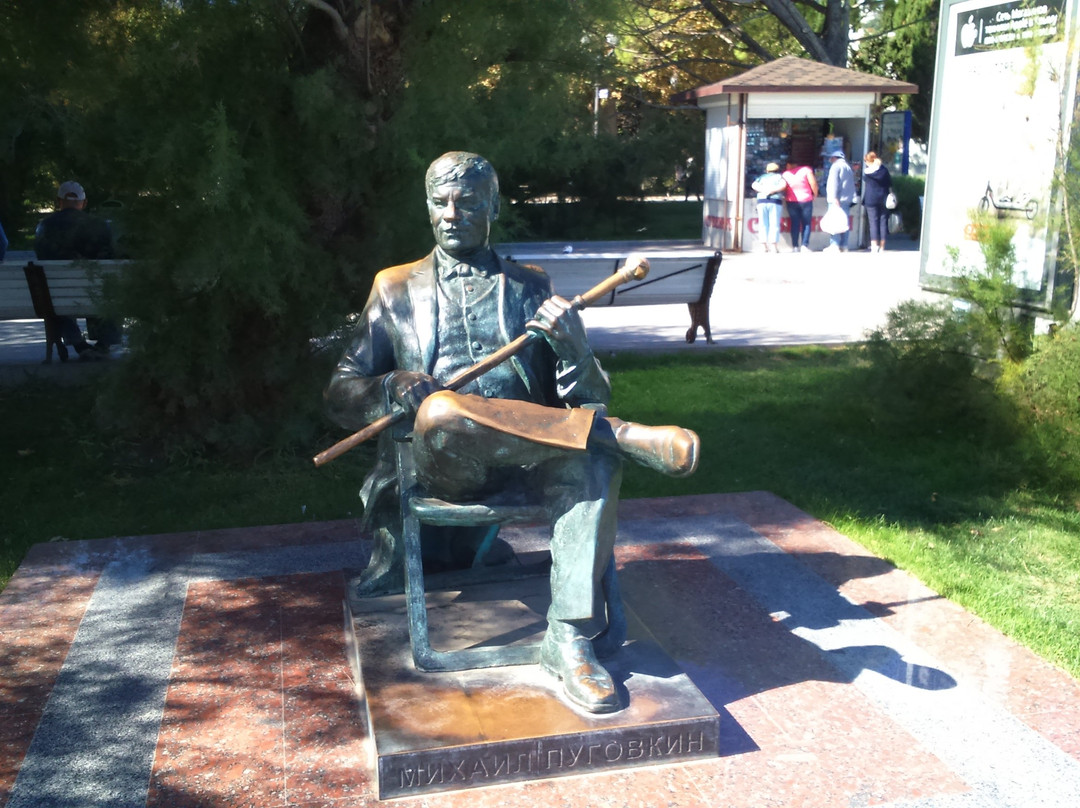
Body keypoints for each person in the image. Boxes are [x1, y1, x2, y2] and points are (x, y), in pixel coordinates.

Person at [325, 152, 700, 714]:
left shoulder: (531, 285)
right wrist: (390, 386)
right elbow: (339, 390)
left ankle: (569, 639)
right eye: (440, 201)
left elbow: (585, 398)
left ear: (493, 207)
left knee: (589, 463)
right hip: (442, 460)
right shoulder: (395, 287)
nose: (452, 213)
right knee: (445, 413)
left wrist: (574, 345)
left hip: (529, 459)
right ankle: (618, 435)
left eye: (468, 201)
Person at [34, 181, 121, 359]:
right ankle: (103, 343)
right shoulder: (101, 226)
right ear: (85, 202)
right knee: (111, 288)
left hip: (58, 297)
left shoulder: (44, 227)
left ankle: (79, 345)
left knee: (54, 294)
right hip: (95, 293)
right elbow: (110, 257)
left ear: (59, 201)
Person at [782, 160, 818, 253]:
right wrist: (815, 194)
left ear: (790, 164)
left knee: (795, 223)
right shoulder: (806, 170)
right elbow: (813, 183)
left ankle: (795, 246)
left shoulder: (785, 174)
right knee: (806, 223)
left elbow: (783, 187)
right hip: (806, 200)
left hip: (791, 201)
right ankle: (804, 246)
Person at [824, 149, 855, 253]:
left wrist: (834, 198)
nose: (830, 160)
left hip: (837, 199)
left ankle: (834, 245)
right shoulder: (848, 167)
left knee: (835, 221)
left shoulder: (836, 166)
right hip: (846, 199)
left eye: (831, 158)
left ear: (834, 158)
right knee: (844, 223)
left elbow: (834, 183)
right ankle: (844, 245)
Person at [861, 151, 893, 253]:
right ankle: (882, 246)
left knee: (873, 222)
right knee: (883, 222)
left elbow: (865, 181)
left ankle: (874, 245)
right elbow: (890, 183)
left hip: (871, 199)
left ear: (868, 161)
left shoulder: (867, 172)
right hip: (884, 198)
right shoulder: (884, 170)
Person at [751, 162, 786, 253]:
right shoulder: (779, 177)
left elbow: (754, 185)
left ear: (767, 170)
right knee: (774, 223)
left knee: (763, 223)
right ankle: (774, 246)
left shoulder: (761, 177)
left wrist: (763, 190)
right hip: (775, 201)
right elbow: (783, 185)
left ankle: (764, 246)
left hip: (761, 201)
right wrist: (772, 191)